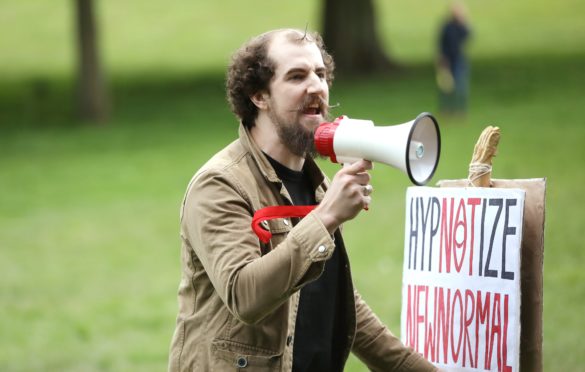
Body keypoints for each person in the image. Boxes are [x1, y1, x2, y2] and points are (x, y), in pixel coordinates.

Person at [168, 28, 437, 372]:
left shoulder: (317, 185)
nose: (316, 87)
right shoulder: (220, 184)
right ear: (259, 96)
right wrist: (326, 217)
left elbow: (334, 299)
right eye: (297, 76)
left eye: (320, 74)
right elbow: (244, 295)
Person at [437, 2, 471, 115]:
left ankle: (460, 111)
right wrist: (442, 59)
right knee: (446, 87)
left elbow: (468, 35)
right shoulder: (447, 27)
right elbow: (441, 44)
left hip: (459, 59)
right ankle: (446, 110)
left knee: (461, 86)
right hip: (448, 60)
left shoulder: (461, 27)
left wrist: (464, 21)